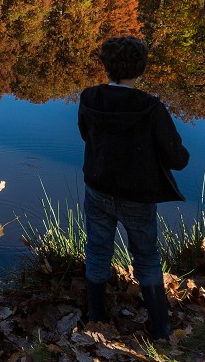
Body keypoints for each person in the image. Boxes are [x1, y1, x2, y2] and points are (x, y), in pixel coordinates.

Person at [77, 36, 190, 339]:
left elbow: (87, 135)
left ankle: (96, 317)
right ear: (141, 68)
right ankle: (160, 328)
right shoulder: (151, 108)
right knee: (146, 257)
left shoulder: (89, 98)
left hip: (97, 188)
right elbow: (175, 159)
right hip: (137, 197)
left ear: (106, 67)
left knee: (98, 251)